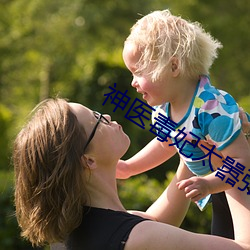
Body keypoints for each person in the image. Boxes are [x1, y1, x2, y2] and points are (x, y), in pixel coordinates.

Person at [13, 98, 250, 250]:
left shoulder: (73, 234)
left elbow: (156, 221)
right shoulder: (138, 238)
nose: (106, 116)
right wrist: (231, 159)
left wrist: (191, 142)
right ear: (88, 160)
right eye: (97, 120)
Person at [119, 9, 250, 239]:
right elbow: (165, 144)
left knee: (238, 241)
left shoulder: (210, 109)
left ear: (173, 67)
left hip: (240, 181)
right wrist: (130, 167)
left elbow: (242, 161)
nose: (133, 83)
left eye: (138, 72)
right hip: (218, 186)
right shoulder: (163, 109)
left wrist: (209, 184)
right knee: (223, 237)